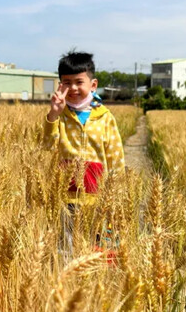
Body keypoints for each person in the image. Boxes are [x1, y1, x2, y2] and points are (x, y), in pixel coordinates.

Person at [42, 51, 125, 263]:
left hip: (100, 198)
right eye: (67, 83)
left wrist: (117, 194)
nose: (74, 88)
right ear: (60, 85)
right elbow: (46, 147)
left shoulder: (105, 118)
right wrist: (53, 115)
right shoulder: (59, 116)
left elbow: (116, 158)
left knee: (99, 251)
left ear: (93, 84)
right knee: (67, 253)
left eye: (79, 82)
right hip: (66, 198)